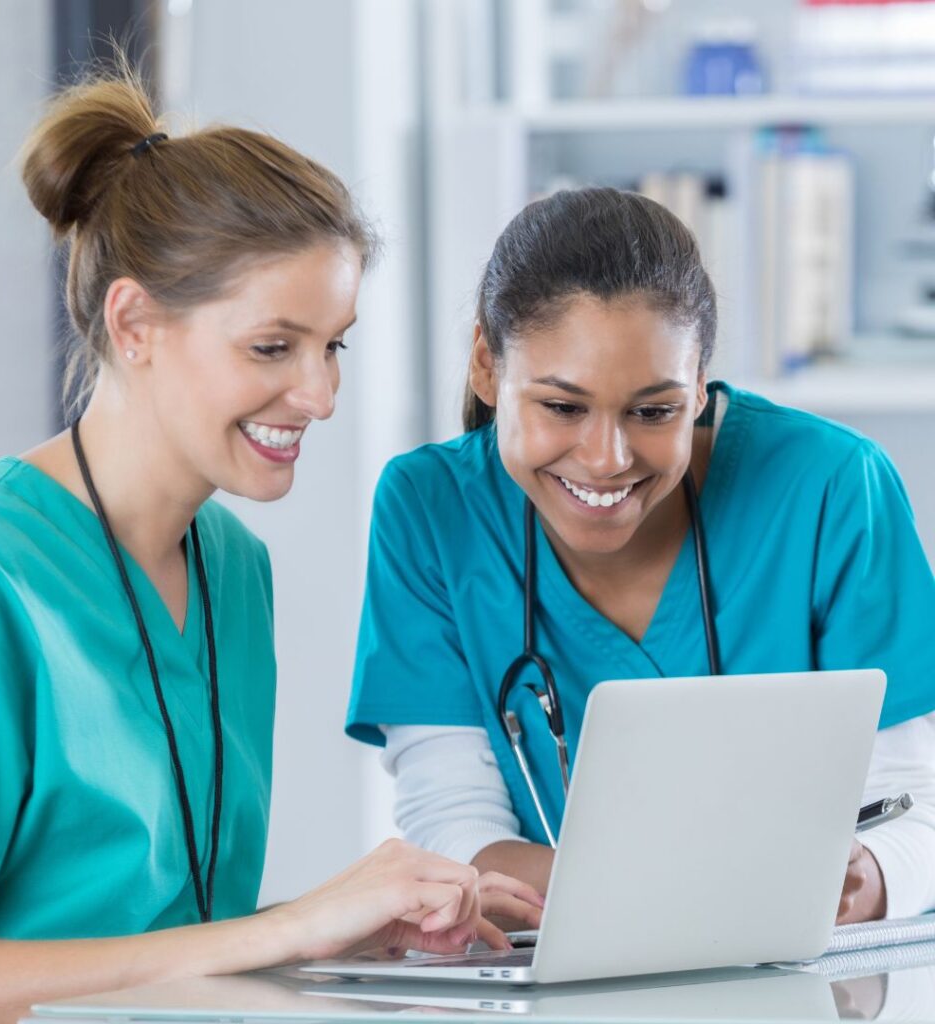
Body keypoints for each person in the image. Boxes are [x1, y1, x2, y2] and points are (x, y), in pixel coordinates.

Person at [0, 67, 542, 1024]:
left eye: (333, 346)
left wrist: (349, 925)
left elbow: (165, 938)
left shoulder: (234, 570)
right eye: (271, 347)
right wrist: (292, 926)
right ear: (135, 324)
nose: (321, 395)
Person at [347, 186, 935, 929]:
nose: (606, 458)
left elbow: (915, 808)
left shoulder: (829, 487)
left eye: (653, 411)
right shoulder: (430, 508)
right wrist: (702, 899)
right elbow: (458, 834)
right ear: (486, 366)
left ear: (697, 383)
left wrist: (872, 876)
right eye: (562, 407)